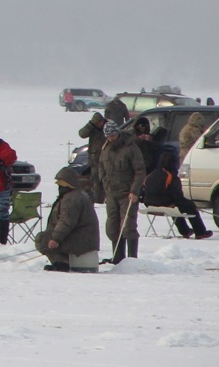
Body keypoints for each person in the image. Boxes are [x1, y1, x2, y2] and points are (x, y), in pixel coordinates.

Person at [99, 121, 147, 263]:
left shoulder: (131, 148)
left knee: (128, 226)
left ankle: (132, 259)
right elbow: (101, 166)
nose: (111, 139)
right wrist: (104, 184)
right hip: (111, 193)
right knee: (112, 227)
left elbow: (140, 171)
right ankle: (117, 256)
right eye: (108, 136)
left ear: (118, 133)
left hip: (127, 194)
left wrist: (134, 190)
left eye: (113, 135)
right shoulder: (106, 148)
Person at [40, 165, 100, 272]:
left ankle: (61, 263)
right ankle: (63, 261)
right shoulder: (77, 195)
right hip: (83, 239)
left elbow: (66, 222)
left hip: (80, 243)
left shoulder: (72, 199)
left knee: (42, 239)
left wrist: (55, 239)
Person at [77, 113, 109, 202]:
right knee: (96, 181)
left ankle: (106, 198)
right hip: (95, 160)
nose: (98, 125)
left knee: (106, 180)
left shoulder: (108, 127)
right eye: (96, 123)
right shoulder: (92, 128)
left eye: (99, 122)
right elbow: (82, 134)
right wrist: (90, 125)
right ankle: (98, 200)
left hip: (107, 159)